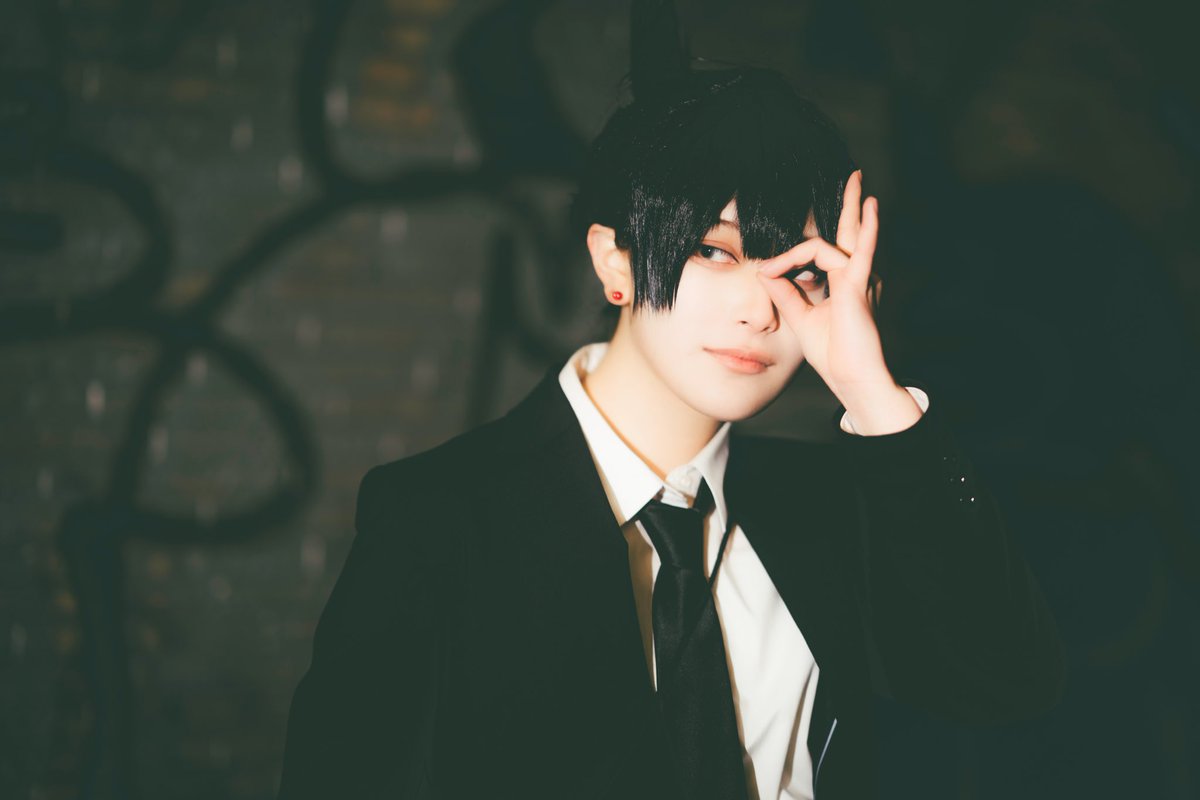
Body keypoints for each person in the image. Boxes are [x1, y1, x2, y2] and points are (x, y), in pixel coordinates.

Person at [276, 2, 1064, 798]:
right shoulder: (439, 519)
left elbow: (1007, 681)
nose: (759, 310)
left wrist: (873, 394)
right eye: (714, 252)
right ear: (615, 263)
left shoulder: (825, 509)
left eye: (799, 272)